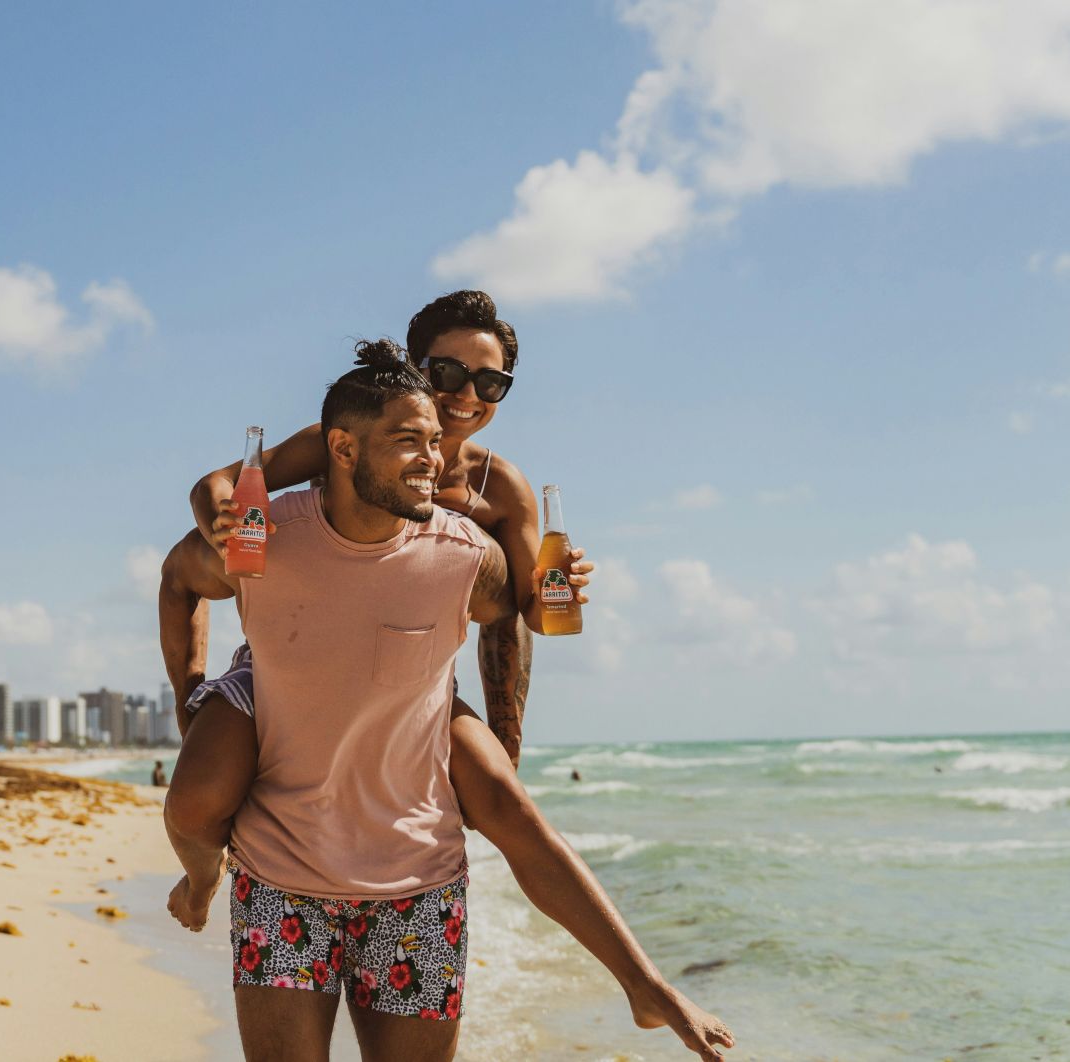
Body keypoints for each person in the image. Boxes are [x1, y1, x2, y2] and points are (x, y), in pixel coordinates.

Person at [161, 344, 734, 1062]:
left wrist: (546, 613)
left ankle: (645, 989)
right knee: (189, 802)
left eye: (435, 441)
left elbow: (521, 613)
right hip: (283, 882)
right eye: (408, 442)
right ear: (341, 448)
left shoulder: (464, 555)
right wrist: (191, 698)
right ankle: (202, 876)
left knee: (510, 807)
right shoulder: (264, 540)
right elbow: (176, 579)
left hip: (418, 890)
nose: (433, 458)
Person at [169, 291, 589, 763]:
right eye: (450, 373)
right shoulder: (347, 440)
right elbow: (217, 485)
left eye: (491, 383)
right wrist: (224, 530)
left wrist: (508, 742)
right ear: (414, 368)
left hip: (413, 679)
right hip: (293, 661)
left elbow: (524, 611)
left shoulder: (500, 487)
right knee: (197, 803)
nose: (468, 395)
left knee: (499, 795)